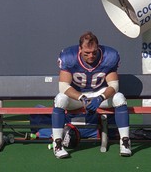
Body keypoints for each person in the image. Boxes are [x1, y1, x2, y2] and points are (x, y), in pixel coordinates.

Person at [52, 31, 131, 159]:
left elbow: (114, 86)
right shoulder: (69, 56)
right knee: (60, 99)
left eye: (94, 52)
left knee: (119, 98)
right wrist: (82, 98)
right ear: (80, 49)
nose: (91, 56)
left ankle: (125, 142)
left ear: (98, 47)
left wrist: (100, 98)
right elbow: (63, 86)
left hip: (99, 94)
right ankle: (57, 144)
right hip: (77, 97)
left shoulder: (109, 56)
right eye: (87, 53)